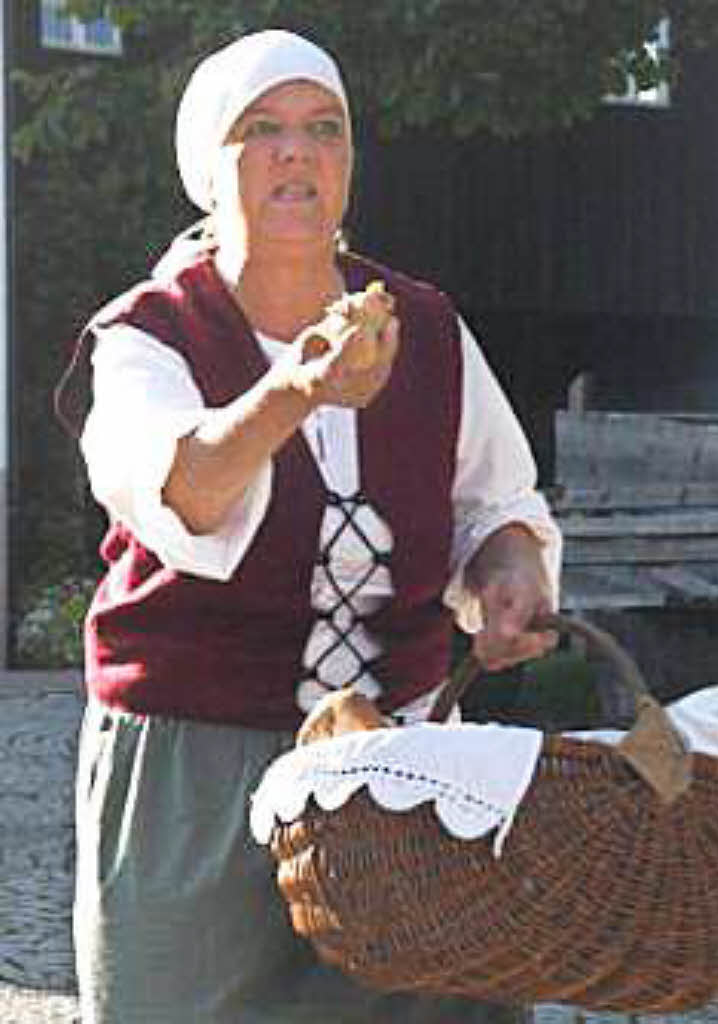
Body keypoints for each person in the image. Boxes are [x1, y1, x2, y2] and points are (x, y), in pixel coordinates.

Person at [55, 27, 562, 1024]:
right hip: (196, 775)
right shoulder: (146, 337)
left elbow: (492, 504)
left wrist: (509, 577)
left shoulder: (424, 325)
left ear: (348, 164)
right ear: (209, 167)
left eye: (323, 128)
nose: (297, 151)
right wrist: (298, 387)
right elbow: (182, 494)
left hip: (400, 756)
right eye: (261, 129)